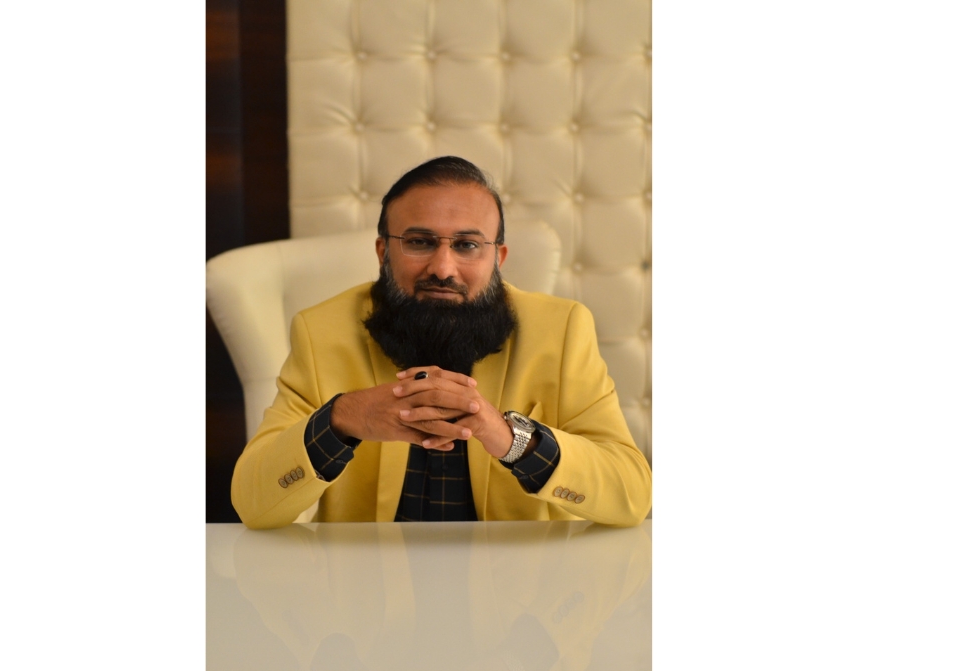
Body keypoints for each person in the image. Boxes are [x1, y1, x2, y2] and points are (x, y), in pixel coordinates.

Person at [231, 156, 651, 529]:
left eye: (467, 245)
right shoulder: (321, 330)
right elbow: (253, 504)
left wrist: (510, 438)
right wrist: (341, 418)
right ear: (383, 252)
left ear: (498, 258)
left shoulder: (562, 330)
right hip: (369, 585)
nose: (443, 268)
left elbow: (632, 495)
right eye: (420, 242)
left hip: (519, 588)